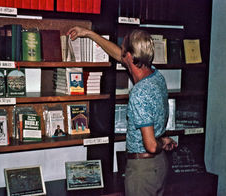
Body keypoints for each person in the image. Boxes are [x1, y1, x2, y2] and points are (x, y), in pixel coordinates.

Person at [67, 26, 178, 196]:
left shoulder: (139, 93)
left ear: (129, 56)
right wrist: (88, 34)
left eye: (124, 49)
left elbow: (150, 145)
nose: (121, 53)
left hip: (143, 170)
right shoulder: (156, 76)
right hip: (158, 165)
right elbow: (118, 53)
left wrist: (163, 141)